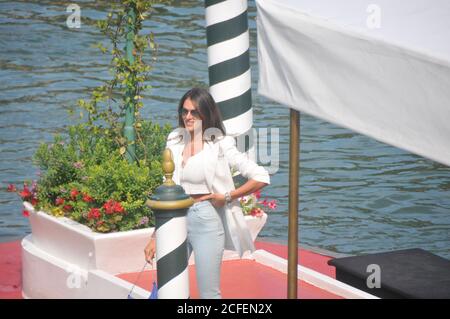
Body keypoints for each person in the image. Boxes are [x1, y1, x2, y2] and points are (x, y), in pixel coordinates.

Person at [144, 87, 270, 299]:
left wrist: (227, 196)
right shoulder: (174, 138)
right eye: (184, 112)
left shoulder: (220, 143)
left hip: (205, 220)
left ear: (206, 113)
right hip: (174, 218)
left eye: (194, 112)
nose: (188, 117)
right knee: (170, 289)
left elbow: (261, 177)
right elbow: (168, 188)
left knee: (209, 294)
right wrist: (156, 235)